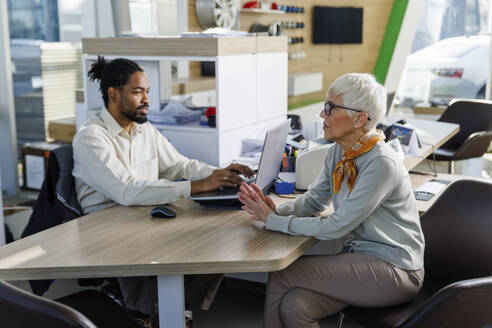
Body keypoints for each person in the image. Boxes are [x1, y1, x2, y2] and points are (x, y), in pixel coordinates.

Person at [73, 56, 254, 321]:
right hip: (107, 226)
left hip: (143, 214)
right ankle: (148, 313)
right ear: (113, 94)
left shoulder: (143, 129)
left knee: (218, 242)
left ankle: (170, 310)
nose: (146, 99)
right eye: (137, 92)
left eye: (147, 91)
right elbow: (127, 190)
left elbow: (179, 165)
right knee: (165, 249)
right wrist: (196, 186)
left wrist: (218, 173)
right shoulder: (91, 137)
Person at [238, 73, 425, 328]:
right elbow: (314, 201)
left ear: (360, 119)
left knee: (283, 273)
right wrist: (278, 212)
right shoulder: (341, 151)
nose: (322, 115)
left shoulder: (381, 163)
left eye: (330, 108)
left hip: (396, 270)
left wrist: (273, 222)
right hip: (361, 258)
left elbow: (336, 226)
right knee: (295, 306)